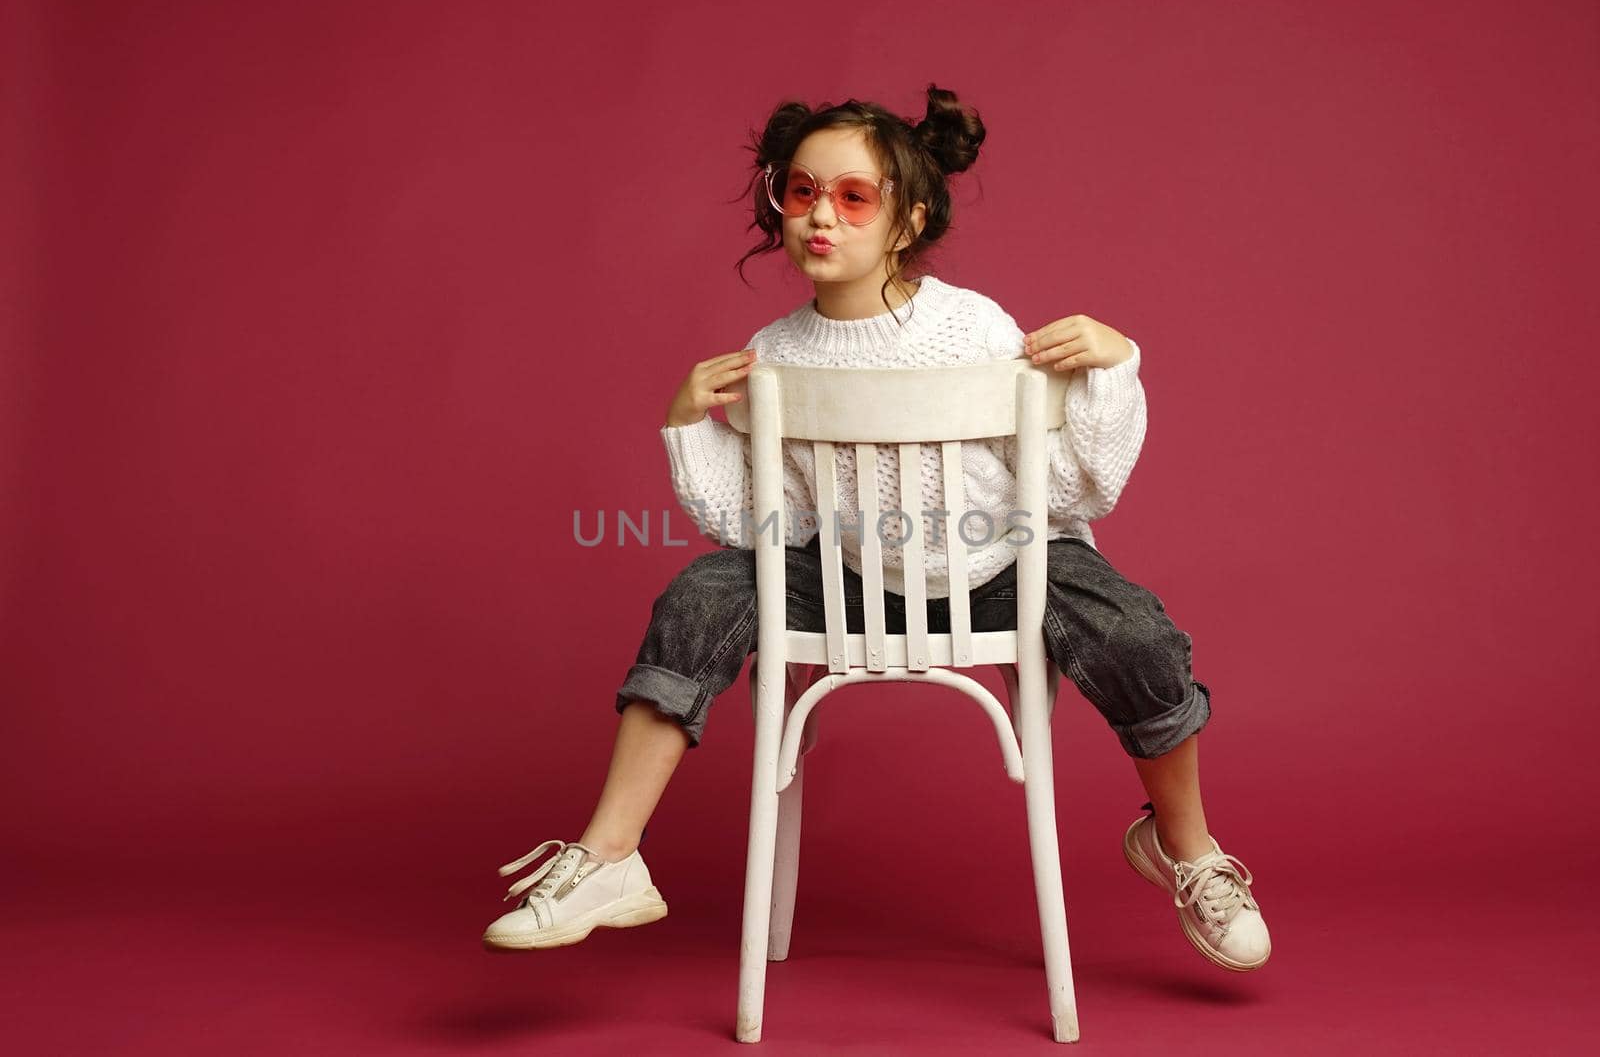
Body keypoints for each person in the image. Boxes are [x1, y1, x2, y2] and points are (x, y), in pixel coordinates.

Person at [482, 84, 1270, 972]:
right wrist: (686, 425)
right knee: (700, 592)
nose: (823, 216)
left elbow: (1073, 487)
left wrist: (1117, 367)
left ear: (908, 219)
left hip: (1002, 559)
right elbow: (753, 522)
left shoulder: (974, 327)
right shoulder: (774, 351)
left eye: (854, 197)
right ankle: (609, 857)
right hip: (849, 575)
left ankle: (1185, 844)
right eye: (802, 190)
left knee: (1135, 631)